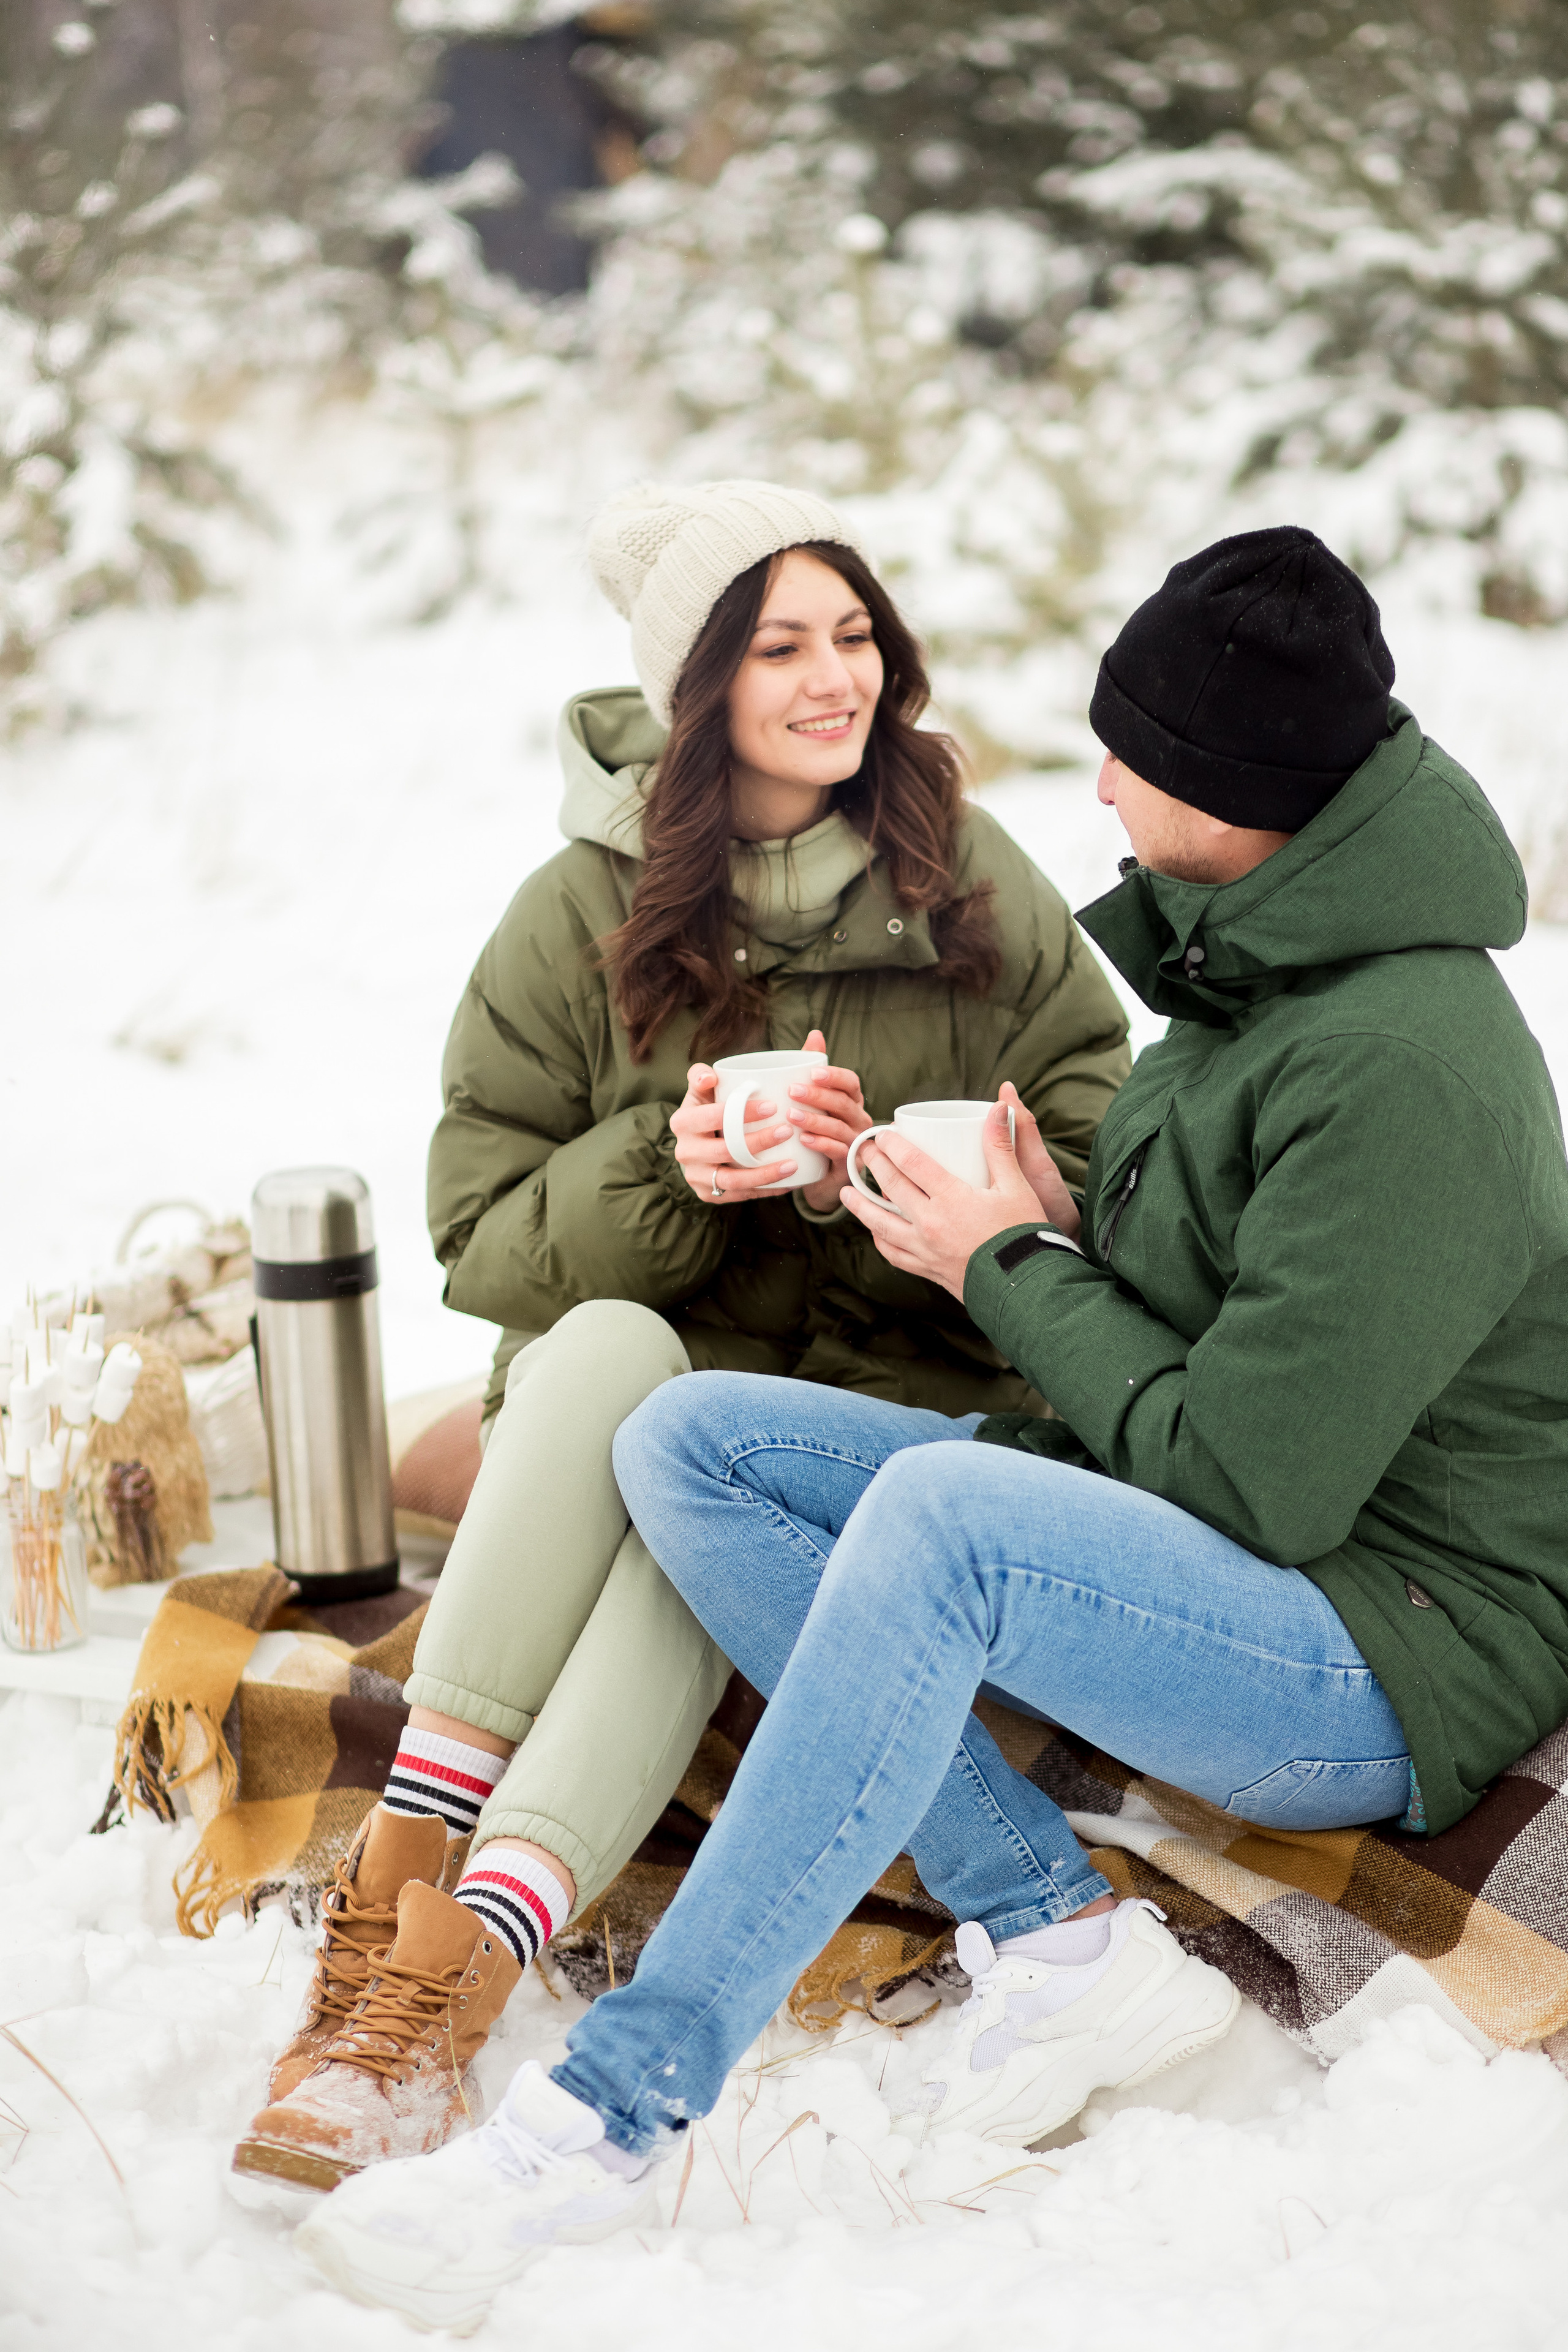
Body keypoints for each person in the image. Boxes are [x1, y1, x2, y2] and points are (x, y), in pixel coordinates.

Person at [294, 524, 1568, 2331]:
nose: (1097, 782)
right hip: (1261, 1545)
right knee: (693, 1445)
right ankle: (1057, 1933)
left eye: (1128, 751)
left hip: (1387, 1650)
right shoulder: (1261, 964)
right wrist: (1056, 1218)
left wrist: (1006, 1268)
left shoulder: (1402, 1062)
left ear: (1230, 790)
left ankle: (601, 2120)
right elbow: (1242, 1311)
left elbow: (1256, 1480)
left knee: (939, 1530)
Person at [230, 478, 1129, 2199]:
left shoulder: (970, 877)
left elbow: (1098, 1138)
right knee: (612, 1363)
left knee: (687, 1515)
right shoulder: (573, 911)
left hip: (878, 1408)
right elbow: (478, 1234)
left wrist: (907, 1190)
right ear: (696, 686)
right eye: (780, 646)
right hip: (617, 1389)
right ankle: (400, 1890)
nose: (835, 679)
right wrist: (670, 1165)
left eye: (855, 635)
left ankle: (443, 1986)